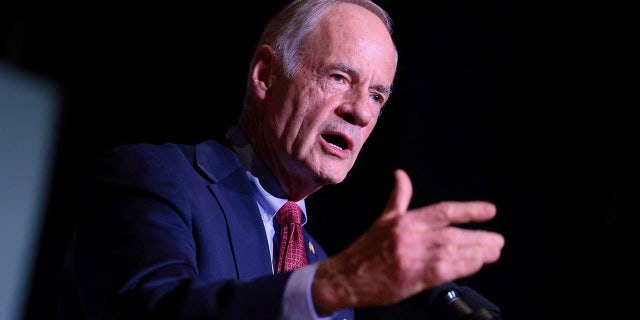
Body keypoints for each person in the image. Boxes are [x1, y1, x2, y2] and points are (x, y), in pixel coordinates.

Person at [58, 0, 505, 319]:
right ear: (266, 76)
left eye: (376, 96)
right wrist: (330, 287)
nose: (361, 111)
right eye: (338, 77)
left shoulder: (321, 268)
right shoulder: (154, 180)